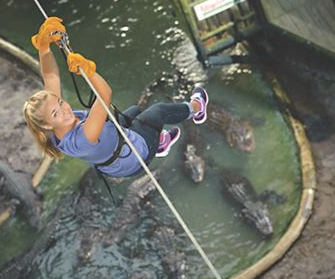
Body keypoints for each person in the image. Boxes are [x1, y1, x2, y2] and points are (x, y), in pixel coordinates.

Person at [23, 17, 209, 178]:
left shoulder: (53, 125)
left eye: (61, 103)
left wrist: (43, 47)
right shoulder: (82, 138)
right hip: (133, 160)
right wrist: (89, 71)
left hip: (114, 153)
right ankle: (197, 108)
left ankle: (159, 143)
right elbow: (105, 95)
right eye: (56, 113)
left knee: (135, 111)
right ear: (47, 125)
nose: (65, 110)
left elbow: (50, 77)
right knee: (158, 112)